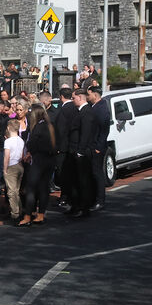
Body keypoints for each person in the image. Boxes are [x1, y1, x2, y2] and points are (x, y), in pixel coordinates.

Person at [20, 104, 57, 226]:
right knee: (43, 188)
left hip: (39, 160)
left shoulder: (38, 128)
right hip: (50, 160)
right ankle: (41, 214)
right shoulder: (50, 125)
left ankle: (28, 215)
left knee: (31, 188)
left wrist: (29, 150)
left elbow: (32, 143)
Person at [67, 88, 98, 218]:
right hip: (76, 151)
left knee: (83, 181)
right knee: (75, 180)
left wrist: (80, 151)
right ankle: (76, 206)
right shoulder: (80, 112)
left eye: (74, 98)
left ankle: (84, 207)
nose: (72, 100)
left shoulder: (87, 113)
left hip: (83, 152)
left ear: (80, 98)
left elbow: (85, 134)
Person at [87, 85, 111, 210]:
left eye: (89, 94)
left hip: (97, 147)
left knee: (97, 173)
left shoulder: (101, 108)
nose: (87, 96)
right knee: (92, 173)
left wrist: (98, 147)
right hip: (92, 146)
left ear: (95, 95)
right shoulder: (95, 107)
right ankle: (93, 198)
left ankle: (100, 200)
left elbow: (104, 130)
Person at [54, 87, 77, 207]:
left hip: (63, 148)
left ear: (61, 97)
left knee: (63, 173)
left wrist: (57, 146)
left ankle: (65, 196)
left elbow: (61, 130)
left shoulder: (63, 110)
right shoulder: (75, 108)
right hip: (72, 146)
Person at [3, 119, 25, 223]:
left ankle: (15, 213)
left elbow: (7, 156)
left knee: (11, 191)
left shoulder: (7, 141)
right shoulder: (21, 140)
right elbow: (22, 155)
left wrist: (4, 169)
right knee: (16, 190)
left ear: (8, 128)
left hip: (11, 166)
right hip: (19, 165)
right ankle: (20, 210)